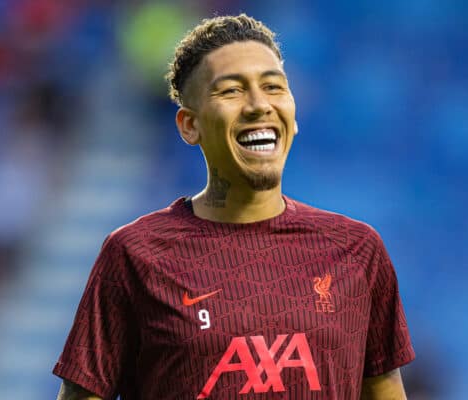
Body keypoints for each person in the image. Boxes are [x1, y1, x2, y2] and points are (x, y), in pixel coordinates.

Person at [54, 14, 415, 400]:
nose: (259, 105)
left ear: (293, 116)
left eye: (274, 87)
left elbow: (384, 389)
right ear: (189, 125)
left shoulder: (356, 249)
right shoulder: (135, 255)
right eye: (231, 91)